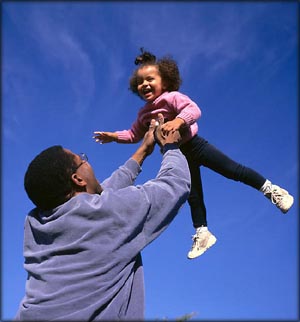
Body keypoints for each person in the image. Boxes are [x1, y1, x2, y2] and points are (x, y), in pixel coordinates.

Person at [93, 48, 294, 260]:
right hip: (177, 155)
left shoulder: (172, 98)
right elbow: (134, 134)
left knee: (233, 170)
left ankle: (272, 190)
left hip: (196, 146)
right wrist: (114, 136)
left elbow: (194, 109)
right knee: (193, 196)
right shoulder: (144, 114)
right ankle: (203, 232)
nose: (144, 85)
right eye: (140, 82)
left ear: (165, 82)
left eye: (150, 79)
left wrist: (178, 121)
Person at [15, 116, 191, 321]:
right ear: (78, 178)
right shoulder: (107, 213)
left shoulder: (34, 223)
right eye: (83, 160)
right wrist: (170, 146)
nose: (88, 163)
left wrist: (143, 150)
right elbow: (175, 184)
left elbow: (100, 200)